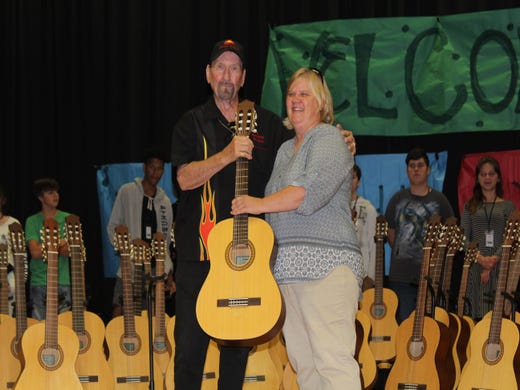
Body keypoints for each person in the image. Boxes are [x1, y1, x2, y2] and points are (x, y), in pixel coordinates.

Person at [170, 39, 356, 390]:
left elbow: (310, 142)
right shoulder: (189, 123)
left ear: (243, 79)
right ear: (208, 75)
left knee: (239, 353)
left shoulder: (270, 126)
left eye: (235, 68)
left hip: (249, 261)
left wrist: (341, 136)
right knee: (189, 353)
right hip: (200, 256)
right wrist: (227, 154)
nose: (227, 74)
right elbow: (182, 179)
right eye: (220, 67)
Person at [231, 67, 363, 389]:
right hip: (288, 275)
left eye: (305, 93)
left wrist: (255, 205)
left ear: (321, 102)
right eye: (292, 94)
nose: (296, 99)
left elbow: (307, 194)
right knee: (305, 369)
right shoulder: (283, 150)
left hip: (327, 269)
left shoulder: (330, 138)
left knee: (334, 364)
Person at [384, 147, 454, 324]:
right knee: (404, 329)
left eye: (420, 165)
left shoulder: (440, 201)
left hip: (432, 279)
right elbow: (391, 236)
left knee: (432, 330)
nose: (416, 169)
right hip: (401, 277)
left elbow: (451, 234)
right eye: (412, 165)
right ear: (407, 170)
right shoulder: (396, 200)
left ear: (428, 170)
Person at [107, 147, 175, 318]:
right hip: (129, 268)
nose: (155, 172)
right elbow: (113, 227)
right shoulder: (127, 191)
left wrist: (168, 274)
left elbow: (165, 242)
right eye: (152, 167)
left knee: (150, 321)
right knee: (119, 315)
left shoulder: (165, 202)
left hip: (154, 273)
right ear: (144, 168)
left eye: (160, 168)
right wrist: (128, 251)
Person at [460, 156, 515, 320]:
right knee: (474, 319)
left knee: (500, 320)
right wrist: (480, 259)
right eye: (483, 174)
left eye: (491, 174)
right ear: (477, 178)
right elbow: (463, 238)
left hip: (501, 268)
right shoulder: (469, 206)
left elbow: (511, 237)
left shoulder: (508, 206)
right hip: (475, 268)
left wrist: (492, 261)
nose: (487, 178)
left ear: (498, 178)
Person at [25, 177, 71, 320]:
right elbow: (35, 252)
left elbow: (69, 251)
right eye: (50, 193)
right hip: (40, 281)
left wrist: (48, 246)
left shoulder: (68, 218)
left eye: (56, 192)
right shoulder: (32, 221)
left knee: (65, 327)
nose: (55, 196)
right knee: (39, 327)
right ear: (40, 197)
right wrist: (60, 242)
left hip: (62, 280)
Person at [351, 164, 378, 291]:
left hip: (363, 274)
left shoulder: (368, 208)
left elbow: (374, 244)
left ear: (358, 182)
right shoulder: (334, 209)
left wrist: (371, 276)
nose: (349, 181)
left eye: (353, 177)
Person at [0, 183, 21, 317]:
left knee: (6, 324)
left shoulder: (13, 223)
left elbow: (21, 257)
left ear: (3, 200)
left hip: (8, 281)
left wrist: (18, 283)